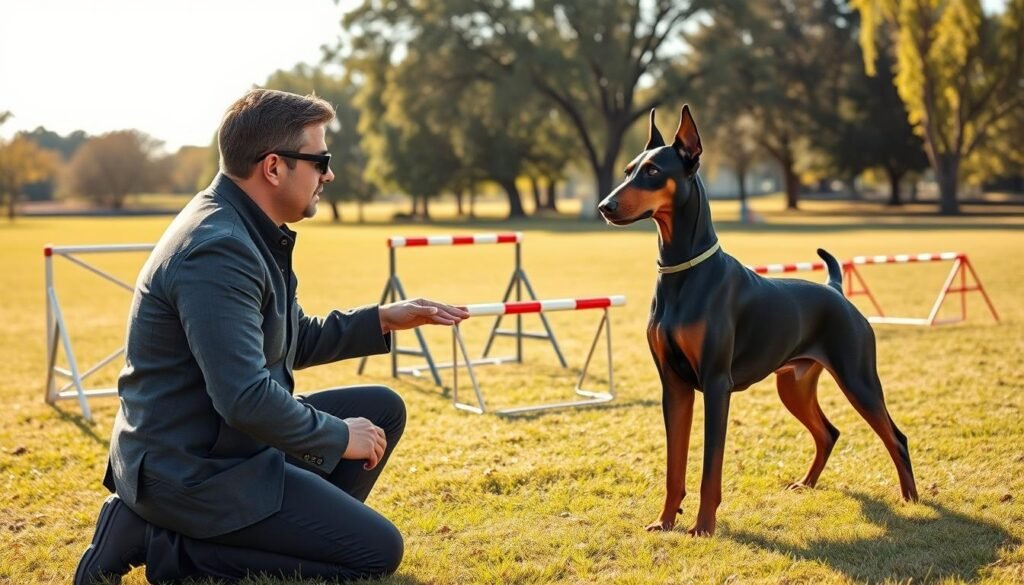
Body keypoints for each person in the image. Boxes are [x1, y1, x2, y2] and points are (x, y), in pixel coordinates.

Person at [74, 88, 469, 584]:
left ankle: (276, 534)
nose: (328, 175)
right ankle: (158, 540)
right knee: (376, 554)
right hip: (192, 469)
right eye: (321, 160)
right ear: (274, 167)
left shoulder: (248, 227)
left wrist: (383, 319)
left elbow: (291, 339)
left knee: (382, 409)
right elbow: (244, 398)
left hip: (226, 443)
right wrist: (339, 436)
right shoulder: (219, 249)